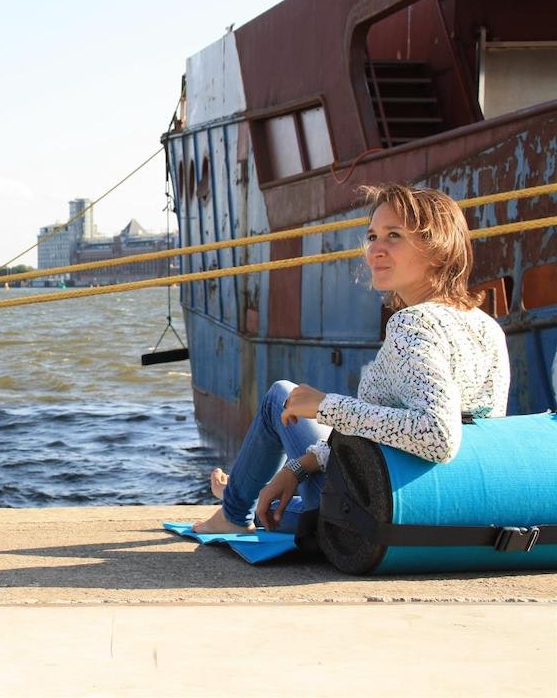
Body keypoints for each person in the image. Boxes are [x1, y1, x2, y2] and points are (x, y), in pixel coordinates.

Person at [192, 184, 511, 534]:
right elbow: (461, 432)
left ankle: (234, 512)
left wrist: (326, 406)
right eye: (373, 235)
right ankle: (244, 492)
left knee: (281, 396)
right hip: (444, 505)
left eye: (394, 236)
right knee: (287, 490)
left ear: (438, 249)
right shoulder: (485, 325)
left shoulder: (413, 323)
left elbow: (437, 435)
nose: (376, 248)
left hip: (372, 509)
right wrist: (296, 469)